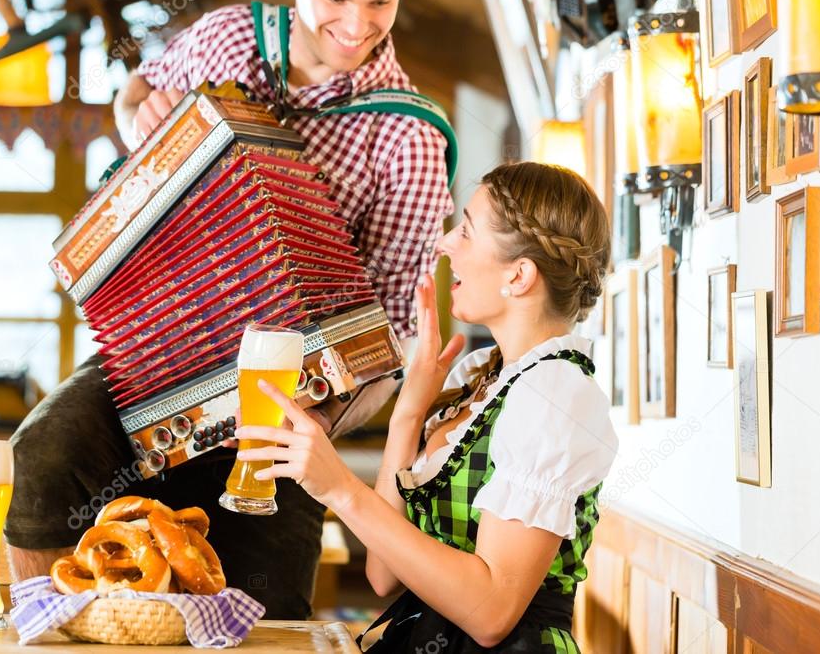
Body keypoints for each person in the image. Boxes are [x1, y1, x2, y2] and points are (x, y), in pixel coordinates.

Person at [4, 0, 454, 621]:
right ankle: (59, 626)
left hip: (282, 406)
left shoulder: (409, 138)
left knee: (263, 606)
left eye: (380, 2)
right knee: (42, 455)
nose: (357, 26)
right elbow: (135, 90)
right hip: (154, 350)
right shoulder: (224, 36)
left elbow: (386, 348)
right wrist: (139, 120)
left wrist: (310, 430)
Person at [234, 161, 619, 652]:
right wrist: (407, 415)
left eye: (467, 231)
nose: (444, 244)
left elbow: (492, 614)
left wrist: (341, 489)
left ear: (519, 275)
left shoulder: (556, 394)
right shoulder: (480, 377)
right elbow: (383, 574)